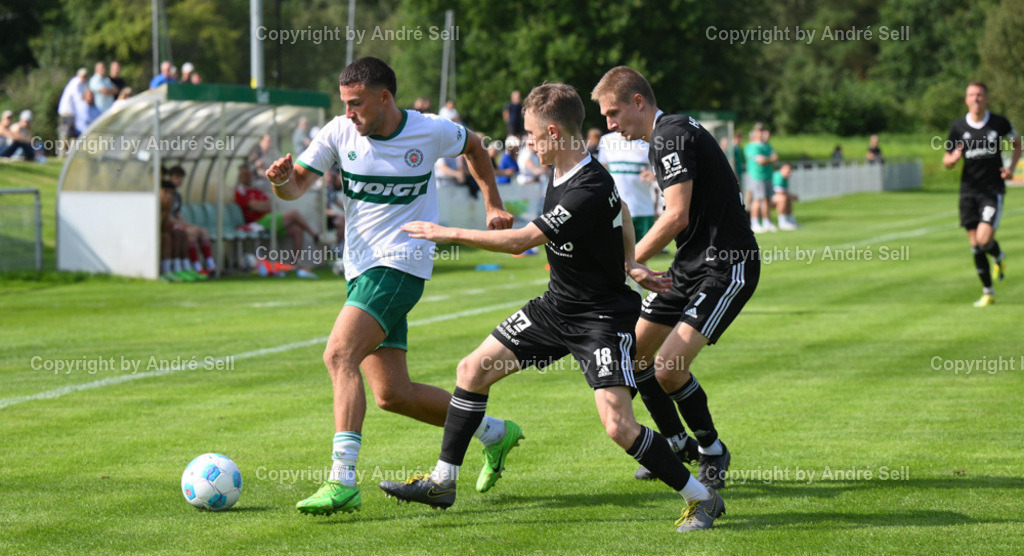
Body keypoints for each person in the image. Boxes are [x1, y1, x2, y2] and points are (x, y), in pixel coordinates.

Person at [379, 82, 722, 533]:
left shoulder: (588, 184)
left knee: (619, 426)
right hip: (555, 307)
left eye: (533, 135)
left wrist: (448, 233)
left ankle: (701, 499)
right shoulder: (564, 172)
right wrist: (631, 262)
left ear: (556, 133)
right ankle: (443, 482)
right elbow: (620, 211)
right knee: (471, 370)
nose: (527, 143)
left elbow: (523, 240)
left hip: (600, 318)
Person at [263, 57, 516, 516]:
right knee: (391, 395)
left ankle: (342, 481)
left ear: (385, 98)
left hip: (402, 264)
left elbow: (476, 148)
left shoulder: (430, 130)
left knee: (339, 354)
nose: (349, 113)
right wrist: (281, 183)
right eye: (344, 104)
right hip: (360, 270)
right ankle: (495, 433)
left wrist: (492, 205)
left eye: (356, 104)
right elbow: (297, 186)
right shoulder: (339, 132)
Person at [592, 67, 760, 509]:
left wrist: (627, 263)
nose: (610, 125)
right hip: (689, 265)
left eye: (613, 113)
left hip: (727, 266)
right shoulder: (666, 135)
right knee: (635, 357)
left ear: (638, 102)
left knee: (667, 367)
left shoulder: (670, 135)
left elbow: (676, 216)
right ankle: (673, 443)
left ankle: (711, 449)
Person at [943, 82, 1021, 307]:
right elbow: (946, 160)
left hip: (991, 190)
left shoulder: (999, 123)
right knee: (975, 245)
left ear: (986, 99)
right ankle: (988, 291)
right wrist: (953, 159)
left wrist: (1012, 169)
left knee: (984, 239)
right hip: (968, 192)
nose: (975, 98)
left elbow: (1017, 144)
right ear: (966, 99)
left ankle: (998, 256)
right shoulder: (957, 127)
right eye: (971, 95)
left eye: (980, 95)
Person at [233, 164, 320, 278]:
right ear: (240, 176)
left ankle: (295, 264)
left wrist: (260, 205)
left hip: (268, 219)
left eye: (249, 174)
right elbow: (254, 206)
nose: (248, 177)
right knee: (293, 214)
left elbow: (270, 204)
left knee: (297, 230)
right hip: (258, 222)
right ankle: (314, 235)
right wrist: (260, 205)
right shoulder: (240, 192)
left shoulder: (255, 190)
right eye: (245, 175)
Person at [598, 131, 658, 241]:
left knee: (641, 256)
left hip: (642, 210)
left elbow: (660, 170)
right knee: (617, 255)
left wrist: (654, 176)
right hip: (615, 210)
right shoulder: (606, 140)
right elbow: (601, 172)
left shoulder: (648, 141)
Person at [744, 124, 777, 232]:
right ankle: (754, 222)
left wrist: (768, 159)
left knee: (767, 199)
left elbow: (775, 157)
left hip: (767, 175)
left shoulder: (766, 145)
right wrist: (769, 159)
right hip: (756, 176)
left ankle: (767, 221)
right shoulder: (752, 146)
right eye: (759, 131)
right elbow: (761, 161)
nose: (762, 133)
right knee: (757, 199)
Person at [772, 162, 799, 230]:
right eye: (787, 169)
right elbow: (779, 192)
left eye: (790, 169)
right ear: (782, 169)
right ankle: (782, 222)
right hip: (768, 198)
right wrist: (791, 196)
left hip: (773, 197)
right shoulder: (778, 177)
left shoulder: (785, 178)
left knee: (787, 199)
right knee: (782, 199)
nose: (789, 171)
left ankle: (791, 220)